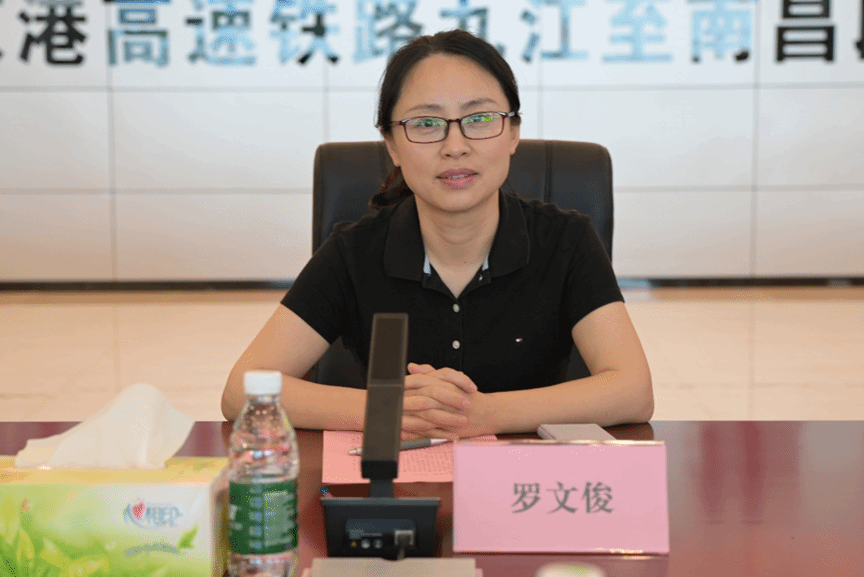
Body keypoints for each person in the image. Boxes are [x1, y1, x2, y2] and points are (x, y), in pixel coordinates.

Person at [221, 29, 653, 438]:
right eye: (426, 124)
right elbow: (241, 390)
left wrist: (484, 414)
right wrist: (390, 409)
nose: (455, 146)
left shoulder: (566, 240)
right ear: (392, 145)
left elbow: (633, 390)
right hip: (396, 483)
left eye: (479, 118)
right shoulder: (353, 252)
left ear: (513, 133)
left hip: (527, 481)